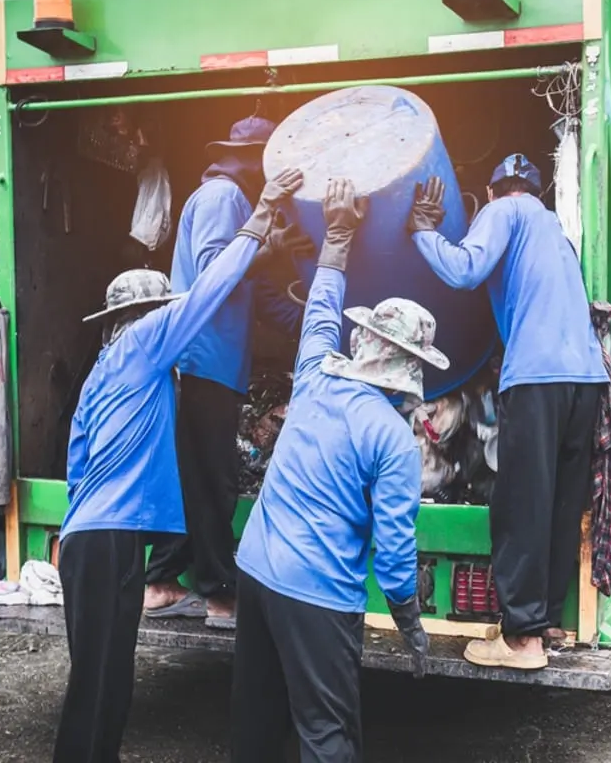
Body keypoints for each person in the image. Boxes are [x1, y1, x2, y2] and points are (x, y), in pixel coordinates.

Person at [54, 170, 309, 763]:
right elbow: (212, 288)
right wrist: (261, 215)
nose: (169, 318)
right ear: (147, 314)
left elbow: (76, 461)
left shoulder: (102, 371)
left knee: (99, 680)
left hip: (87, 541)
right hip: (111, 542)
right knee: (101, 686)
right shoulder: (146, 346)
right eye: (161, 311)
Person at [231, 178, 442, 762]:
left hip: (255, 569)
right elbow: (395, 556)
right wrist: (410, 624)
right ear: (413, 368)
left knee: (255, 720)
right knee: (327, 735)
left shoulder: (318, 371)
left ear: (366, 342)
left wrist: (340, 232)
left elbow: (320, 307)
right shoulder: (395, 442)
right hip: (318, 595)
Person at [406, 154, 608, 671]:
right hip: (584, 379)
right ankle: (548, 624)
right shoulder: (556, 230)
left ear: (494, 192)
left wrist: (425, 232)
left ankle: (521, 641)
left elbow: (464, 269)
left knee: (521, 504)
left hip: (536, 377)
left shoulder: (505, 211)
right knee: (562, 503)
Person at [144, 114, 303, 629]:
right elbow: (218, 273)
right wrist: (272, 246)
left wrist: (320, 318)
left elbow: (258, 300)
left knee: (194, 474)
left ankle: (163, 580)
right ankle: (215, 593)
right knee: (212, 478)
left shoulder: (234, 202)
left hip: (213, 364)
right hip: (202, 360)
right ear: (259, 157)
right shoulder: (223, 197)